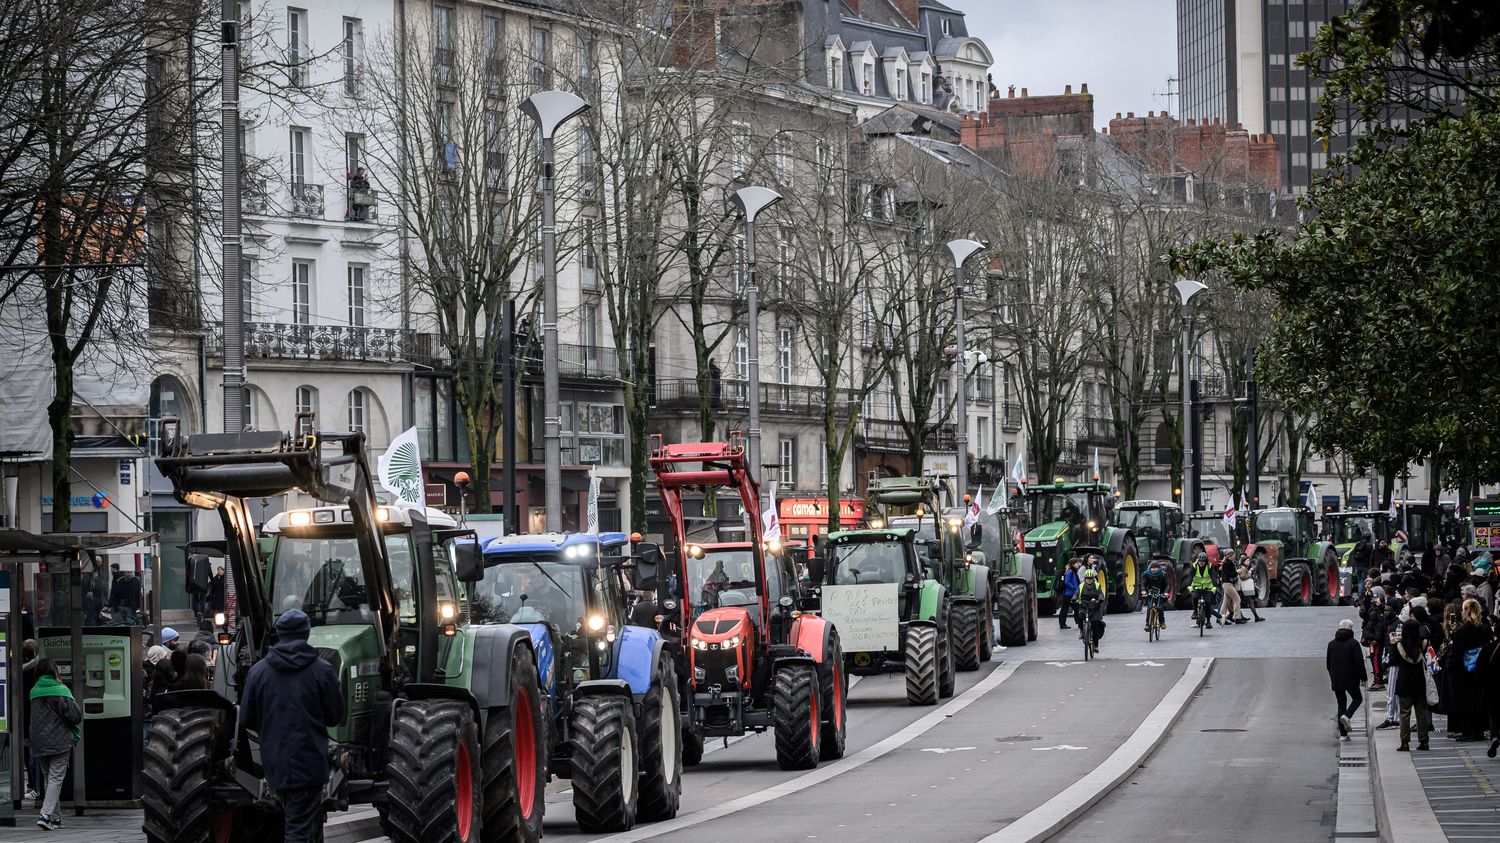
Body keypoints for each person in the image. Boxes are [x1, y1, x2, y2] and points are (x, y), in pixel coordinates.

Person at [240, 610, 345, 842]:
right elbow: (335, 716)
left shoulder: (259, 672)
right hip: (309, 762)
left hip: (274, 762)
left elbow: (246, 718)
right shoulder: (322, 670)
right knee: (298, 828)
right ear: (307, 634)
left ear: (279, 634)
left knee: (298, 821)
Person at [28, 659, 82, 830]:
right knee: (56, 778)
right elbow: (75, 716)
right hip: (60, 741)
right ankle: (45, 815)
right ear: (55, 672)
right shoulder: (61, 690)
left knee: (49, 779)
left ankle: (56, 819)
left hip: (39, 741)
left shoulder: (34, 691)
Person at [1445, 599, 1492, 741]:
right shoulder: (1485, 627)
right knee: (1478, 700)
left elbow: (1457, 651)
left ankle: (1468, 731)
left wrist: (1449, 665)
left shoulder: (1464, 629)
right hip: (1481, 668)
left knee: (1464, 701)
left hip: (1463, 670)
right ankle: (1478, 730)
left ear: (1466, 611)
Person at [1393, 616, 1431, 751]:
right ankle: (1424, 741)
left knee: (1404, 713)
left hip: (1404, 682)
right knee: (1421, 712)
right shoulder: (1423, 644)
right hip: (1419, 681)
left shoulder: (1400, 645)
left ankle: (1404, 742)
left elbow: (1394, 661)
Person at [1328, 619, 1367, 741]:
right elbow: (1359, 662)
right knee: (1357, 698)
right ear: (1351, 629)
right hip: (1351, 678)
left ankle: (1343, 735)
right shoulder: (1353, 643)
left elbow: (1328, 664)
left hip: (1336, 679)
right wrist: (1363, 677)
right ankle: (1347, 715)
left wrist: (1333, 676)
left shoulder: (1331, 643)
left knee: (1341, 704)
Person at [1075, 567, 1106, 649]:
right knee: (1080, 618)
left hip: (1094, 607)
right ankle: (1082, 631)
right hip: (1084, 606)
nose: (1089, 580)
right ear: (1085, 579)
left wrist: (1100, 599)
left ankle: (1095, 646)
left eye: (1090, 578)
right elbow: (1076, 593)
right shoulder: (1081, 586)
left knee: (1095, 626)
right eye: (1087, 578)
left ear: (1093, 579)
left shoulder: (1097, 585)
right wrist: (1074, 598)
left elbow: (1100, 594)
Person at [1189, 552, 1218, 628]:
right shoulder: (1194, 566)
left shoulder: (1210, 567)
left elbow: (1214, 577)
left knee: (1208, 602)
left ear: (1206, 561)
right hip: (1197, 587)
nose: (1201, 563)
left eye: (1203, 561)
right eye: (1200, 561)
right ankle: (1195, 611)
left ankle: (1208, 621)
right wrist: (1190, 587)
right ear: (1198, 561)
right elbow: (1190, 577)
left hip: (1207, 588)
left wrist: (1214, 587)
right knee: (1195, 597)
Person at [1141, 559, 1171, 630]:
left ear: (1159, 568)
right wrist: (1143, 591)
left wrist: (1166, 592)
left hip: (1161, 593)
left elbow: (1168, 584)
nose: (1153, 569)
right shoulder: (1146, 574)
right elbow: (1143, 584)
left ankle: (1162, 622)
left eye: (1155, 568)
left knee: (1160, 607)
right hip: (1151, 593)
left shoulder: (1163, 574)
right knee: (1149, 608)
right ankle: (1147, 624)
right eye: (1152, 568)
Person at [1219, 552, 1244, 624]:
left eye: (1234, 555)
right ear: (1229, 556)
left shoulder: (1226, 563)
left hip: (1226, 583)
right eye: (1233, 556)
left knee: (1226, 601)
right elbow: (1230, 574)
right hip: (1228, 584)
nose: (1234, 557)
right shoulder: (1228, 563)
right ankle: (1237, 618)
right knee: (1237, 599)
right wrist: (1237, 572)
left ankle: (1221, 618)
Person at [1059, 558, 1081, 630]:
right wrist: (1074, 588)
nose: (1078, 565)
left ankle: (1078, 623)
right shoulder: (1070, 572)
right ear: (1073, 564)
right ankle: (1063, 624)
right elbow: (1067, 582)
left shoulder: (1073, 572)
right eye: (1077, 563)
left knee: (1074, 608)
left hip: (1070, 594)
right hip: (1069, 594)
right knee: (1067, 609)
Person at [1352, 532, 1374, 599]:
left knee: (1359, 580)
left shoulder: (1358, 544)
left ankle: (1360, 593)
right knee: (1363, 580)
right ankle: (1361, 595)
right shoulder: (1370, 546)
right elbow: (1372, 556)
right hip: (1365, 565)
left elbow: (1354, 553)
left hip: (1358, 565)